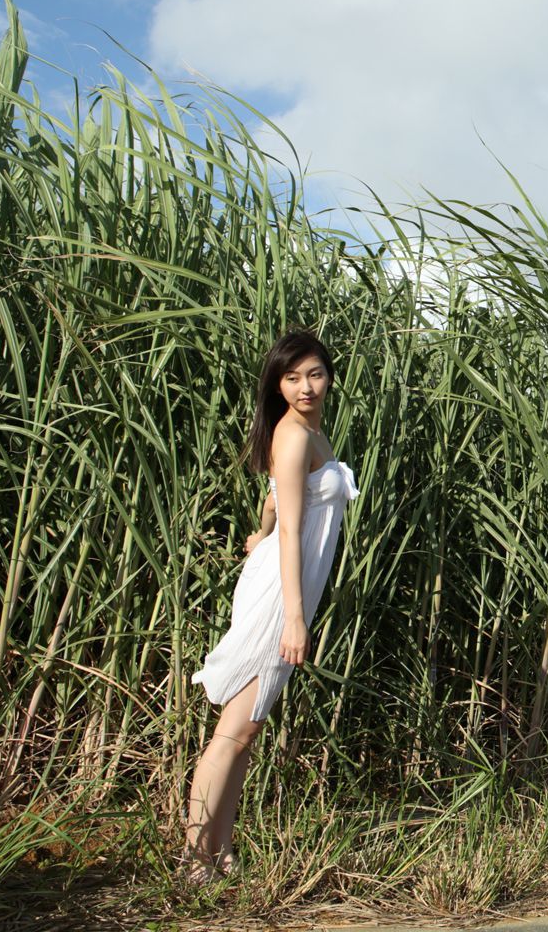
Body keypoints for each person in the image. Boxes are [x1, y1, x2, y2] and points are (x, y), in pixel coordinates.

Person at [180, 329, 359, 882]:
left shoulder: (307, 430)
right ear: (277, 384)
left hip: (282, 582)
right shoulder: (293, 436)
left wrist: (257, 533)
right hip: (280, 596)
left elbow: (278, 500)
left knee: (246, 729)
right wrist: (296, 617)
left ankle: (221, 851)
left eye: (315, 374)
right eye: (292, 377)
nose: (305, 386)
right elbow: (292, 533)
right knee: (234, 730)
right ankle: (194, 860)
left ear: (329, 376)